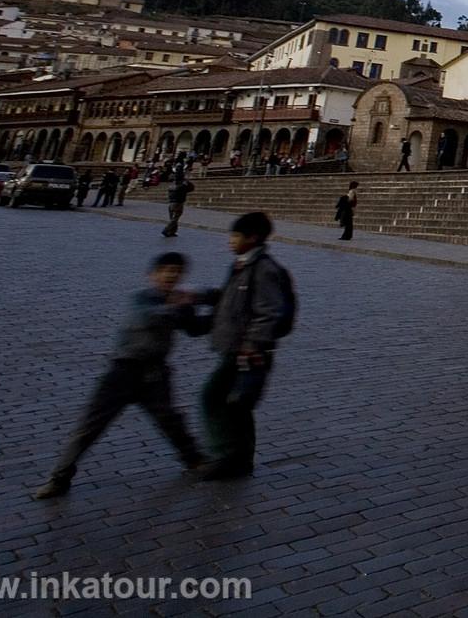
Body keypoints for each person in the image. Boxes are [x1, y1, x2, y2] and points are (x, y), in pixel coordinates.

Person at [32, 252, 208, 498]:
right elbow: (149, 316)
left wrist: (224, 312)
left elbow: (195, 328)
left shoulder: (178, 303)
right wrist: (180, 304)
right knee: (90, 426)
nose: (171, 275)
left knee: (170, 419)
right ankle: (59, 477)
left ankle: (195, 460)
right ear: (152, 275)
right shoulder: (141, 299)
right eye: (166, 270)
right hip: (123, 372)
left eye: (177, 272)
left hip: (156, 373)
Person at [196, 212, 294, 480]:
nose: (230, 241)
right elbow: (227, 297)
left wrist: (252, 343)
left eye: (235, 236)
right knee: (238, 403)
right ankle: (241, 459)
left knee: (212, 397)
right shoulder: (242, 265)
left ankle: (223, 455)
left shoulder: (264, 269)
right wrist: (197, 296)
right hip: (237, 347)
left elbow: (269, 311)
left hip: (247, 351)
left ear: (252, 238)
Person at [162, 173, 194, 238]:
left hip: (171, 203)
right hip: (178, 203)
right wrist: (187, 182)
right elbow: (191, 188)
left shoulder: (171, 185)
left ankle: (172, 231)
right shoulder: (182, 186)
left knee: (172, 218)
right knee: (175, 218)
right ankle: (166, 229)